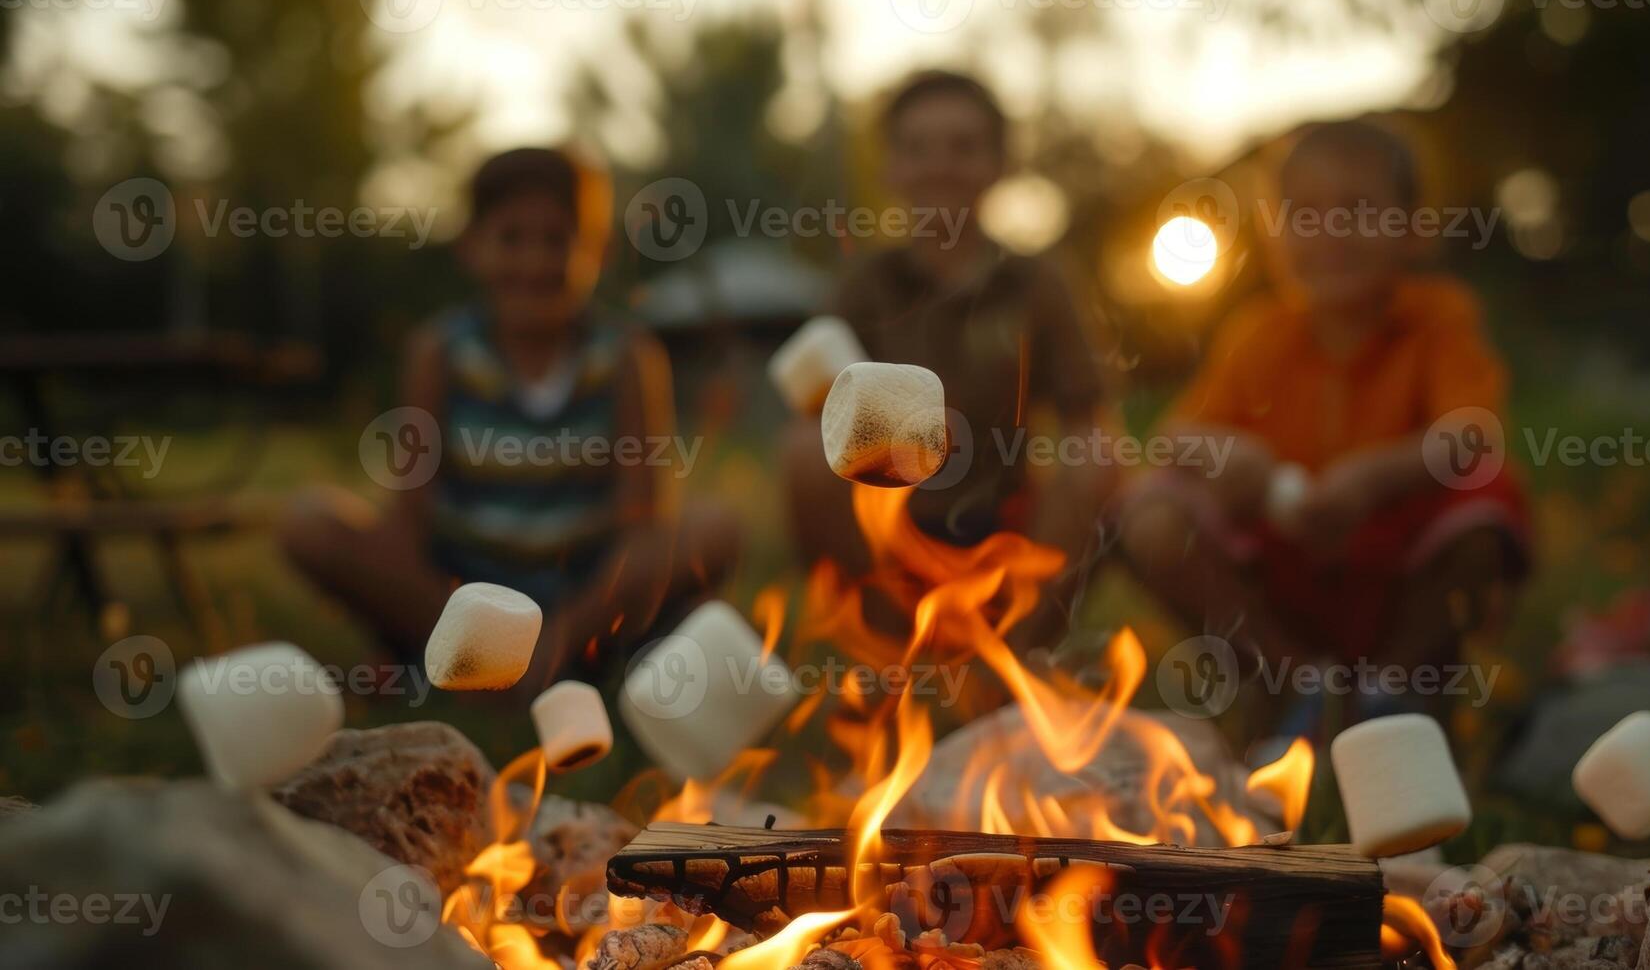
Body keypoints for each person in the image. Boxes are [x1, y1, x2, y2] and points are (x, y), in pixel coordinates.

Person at [1119, 120, 1530, 723]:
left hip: (1400, 576)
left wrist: (1370, 479)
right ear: (1272, 236)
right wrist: (1236, 458)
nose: (1330, 234)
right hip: (1288, 572)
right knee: (1152, 511)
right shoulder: (1259, 332)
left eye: (1359, 210)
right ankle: (1291, 683)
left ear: (1416, 229)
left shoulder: (1439, 319)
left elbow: (1473, 436)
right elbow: (1174, 437)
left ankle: (1394, 692)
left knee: (1488, 501)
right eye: (1303, 215)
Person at [281, 148, 738, 686]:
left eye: (557, 241)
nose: (534, 262)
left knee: (715, 529)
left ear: (599, 252)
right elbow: (408, 518)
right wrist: (413, 599)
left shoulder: (628, 357)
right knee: (309, 523)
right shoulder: (439, 353)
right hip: (464, 595)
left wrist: (567, 626)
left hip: (585, 596)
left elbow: (644, 525)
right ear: (471, 248)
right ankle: (469, 653)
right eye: (511, 239)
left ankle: (553, 656)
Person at [781, 70, 1116, 652]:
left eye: (963, 147)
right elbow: (816, 413)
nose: (940, 166)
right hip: (891, 523)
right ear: (891, 168)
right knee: (804, 455)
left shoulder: (1036, 281)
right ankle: (899, 662)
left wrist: (1081, 470)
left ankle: (1008, 661)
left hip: (1006, 518)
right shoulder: (866, 285)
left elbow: (1089, 417)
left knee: (1096, 460)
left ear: (999, 165)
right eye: (918, 149)